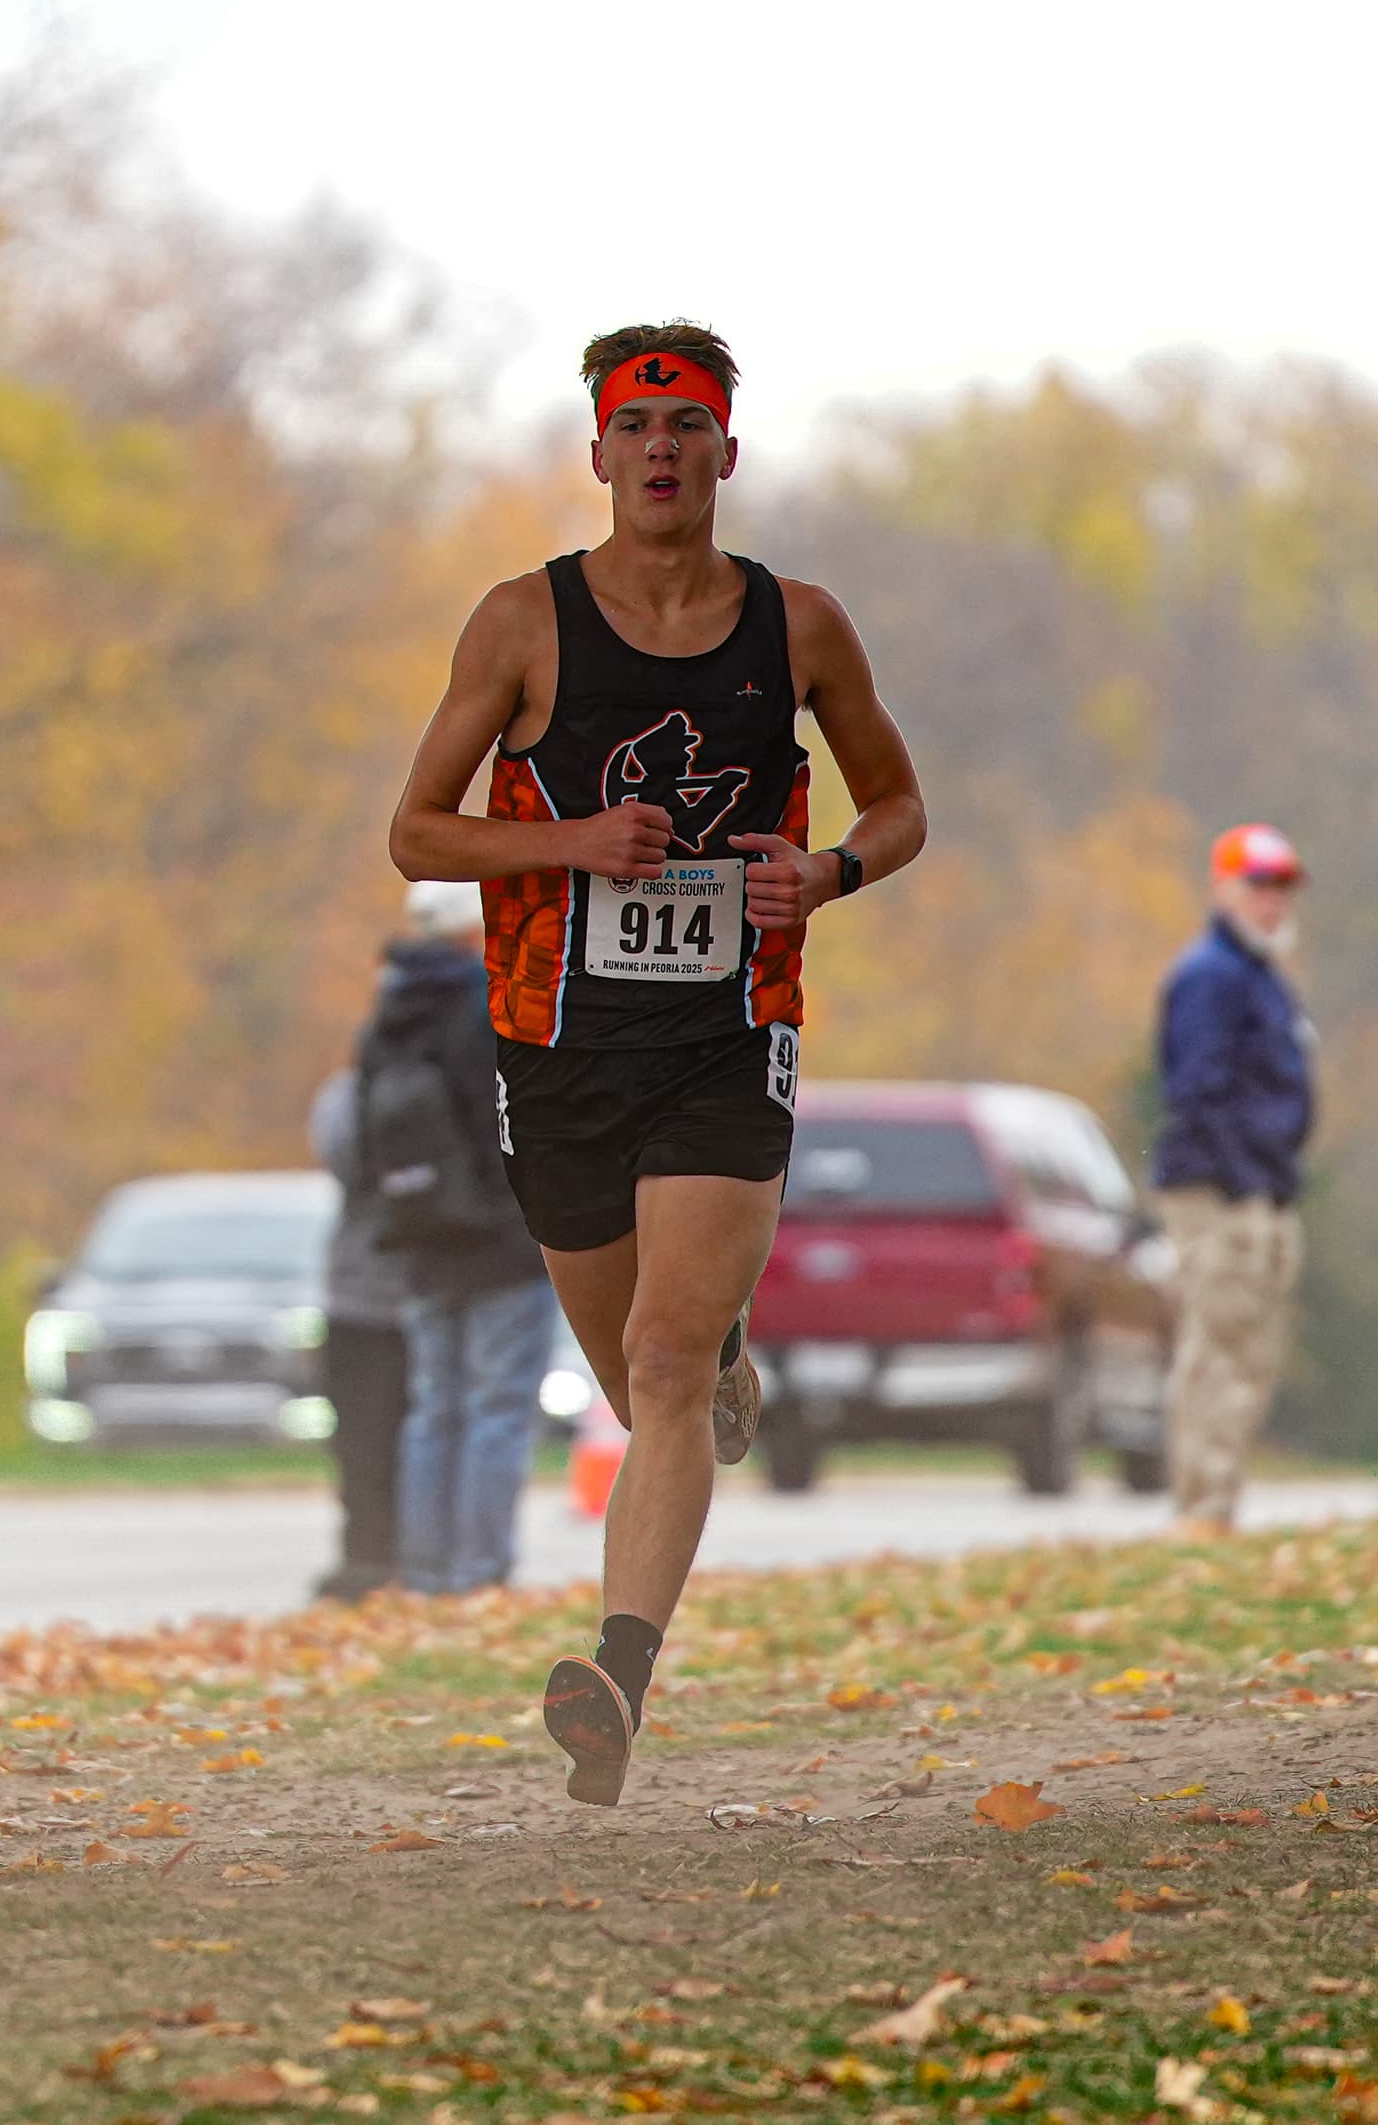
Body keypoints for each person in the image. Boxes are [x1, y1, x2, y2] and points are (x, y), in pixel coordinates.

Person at [388, 321, 926, 1806]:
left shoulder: (799, 626)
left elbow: (897, 803)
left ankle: (617, 1677)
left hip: (724, 1032)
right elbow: (416, 833)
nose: (665, 450)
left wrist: (824, 876)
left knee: (666, 1364)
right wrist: (567, 841)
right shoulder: (522, 623)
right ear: (603, 455)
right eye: (639, 428)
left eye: (689, 425)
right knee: (635, 1374)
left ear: (727, 453)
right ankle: (729, 1356)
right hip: (554, 1038)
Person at [358, 877, 558, 1596]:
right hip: (503, 1236)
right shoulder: (490, 1004)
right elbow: (517, 1120)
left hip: (420, 1236)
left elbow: (362, 1133)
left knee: (435, 1406)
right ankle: (481, 1572)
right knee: (497, 1407)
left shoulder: (388, 1013)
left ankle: (426, 1570)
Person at [1150, 822, 1319, 1534]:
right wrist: (1243, 1178)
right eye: (1258, 885)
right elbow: (1198, 1090)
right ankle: (1202, 1508)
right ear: (1223, 888)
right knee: (1216, 1350)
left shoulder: (1260, 977)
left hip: (1262, 1188)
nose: (1272, 901)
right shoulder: (1210, 976)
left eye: (1281, 887)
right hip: (1220, 1191)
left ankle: (1220, 1504)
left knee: (1250, 1352)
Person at [308, 1059, 410, 1601]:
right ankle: (429, 1560)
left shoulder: (352, 1091)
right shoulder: (476, 1073)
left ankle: (367, 1557)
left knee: (362, 1441)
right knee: (431, 1434)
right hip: (440, 1285)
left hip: (359, 1292)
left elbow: (336, 1151)